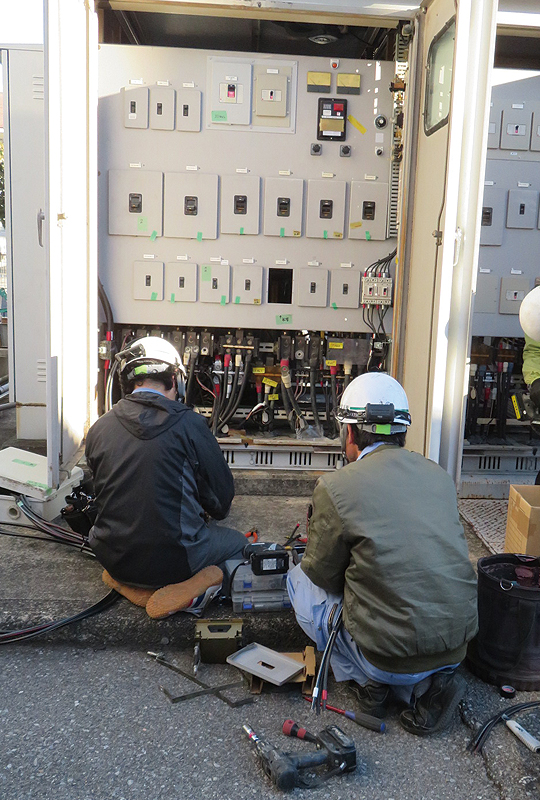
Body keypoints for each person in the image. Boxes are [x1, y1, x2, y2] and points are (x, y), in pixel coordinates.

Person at [287, 372, 478, 735]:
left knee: (298, 581)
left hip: (383, 658)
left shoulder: (336, 486)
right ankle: (427, 686)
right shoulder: (439, 476)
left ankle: (368, 682)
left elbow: (323, 576)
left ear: (350, 433)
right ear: (403, 431)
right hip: (455, 647)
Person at [85, 336, 247, 619]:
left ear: (128, 382)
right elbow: (221, 503)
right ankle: (191, 587)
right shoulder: (190, 424)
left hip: (113, 557)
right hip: (177, 563)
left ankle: (129, 585)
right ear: (174, 380)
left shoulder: (99, 428)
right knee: (239, 545)